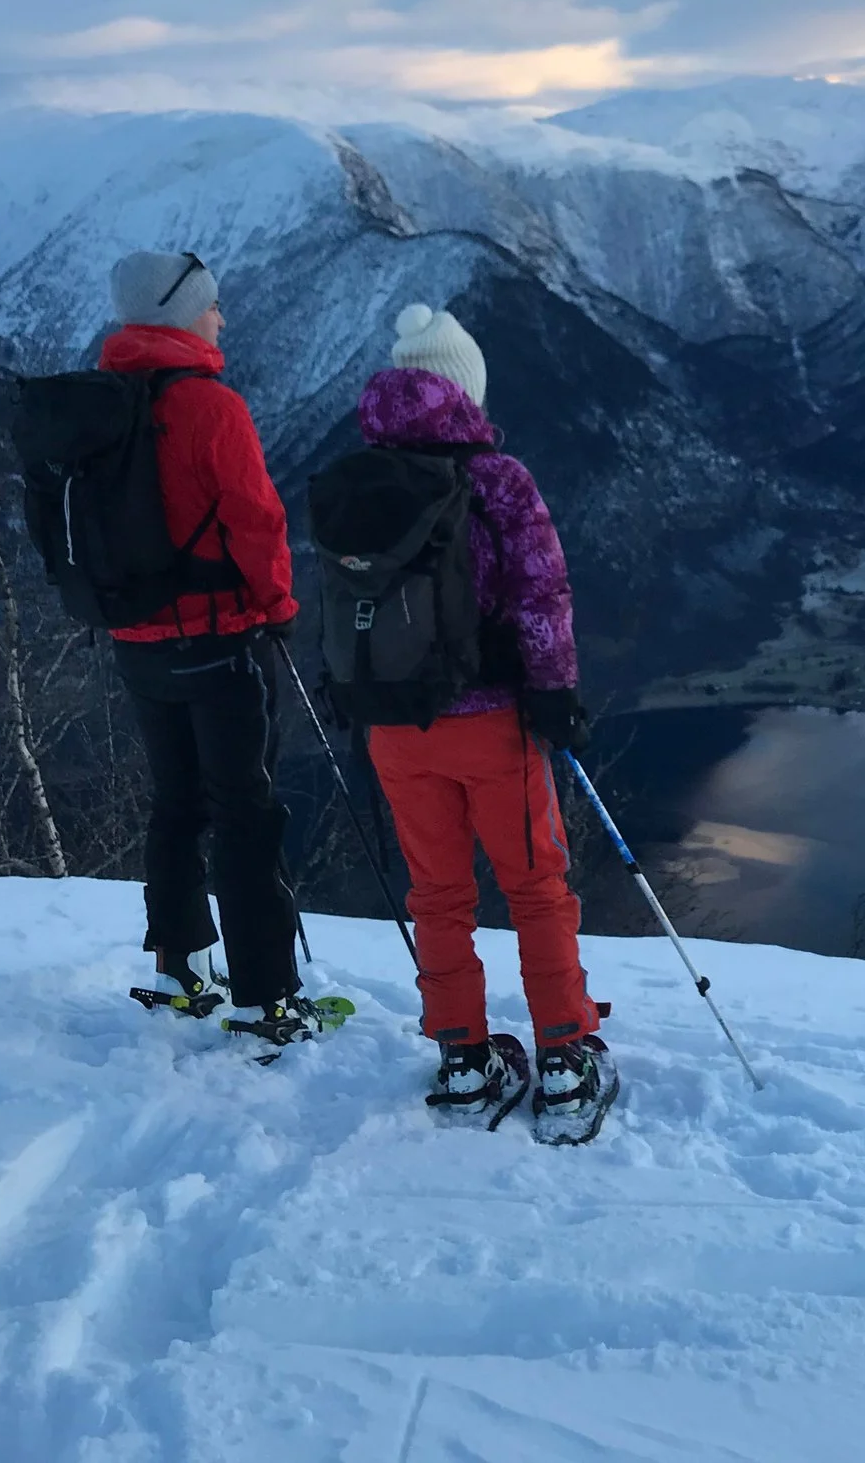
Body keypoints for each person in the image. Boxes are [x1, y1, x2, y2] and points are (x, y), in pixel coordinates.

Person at [355, 303, 610, 1133]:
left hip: (394, 722)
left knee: (437, 893)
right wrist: (556, 696)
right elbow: (544, 597)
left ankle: (463, 1061)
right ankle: (566, 1058)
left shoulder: (363, 479)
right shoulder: (497, 480)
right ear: (465, 388)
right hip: (493, 721)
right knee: (536, 887)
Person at [102, 250, 313, 1038]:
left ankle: (182, 970)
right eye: (213, 304)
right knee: (246, 815)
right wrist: (280, 606)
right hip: (220, 642)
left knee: (176, 805)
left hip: (136, 642)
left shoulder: (108, 402)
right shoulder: (209, 407)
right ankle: (268, 995)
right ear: (180, 312)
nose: (221, 316)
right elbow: (256, 521)